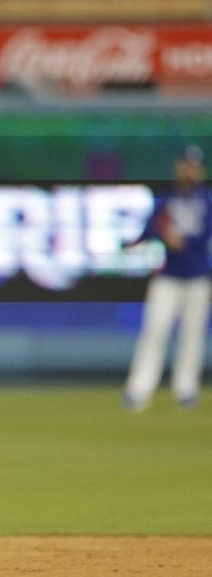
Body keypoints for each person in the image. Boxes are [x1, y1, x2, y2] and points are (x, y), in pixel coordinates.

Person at [123, 144, 212, 412]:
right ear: (178, 167)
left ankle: (186, 390)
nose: (190, 170)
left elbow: (201, 238)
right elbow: (150, 229)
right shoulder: (166, 200)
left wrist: (180, 240)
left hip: (198, 277)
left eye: (194, 166)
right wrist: (136, 242)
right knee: (154, 332)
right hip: (169, 277)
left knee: (192, 336)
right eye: (186, 164)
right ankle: (139, 390)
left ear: (201, 170)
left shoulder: (206, 201)